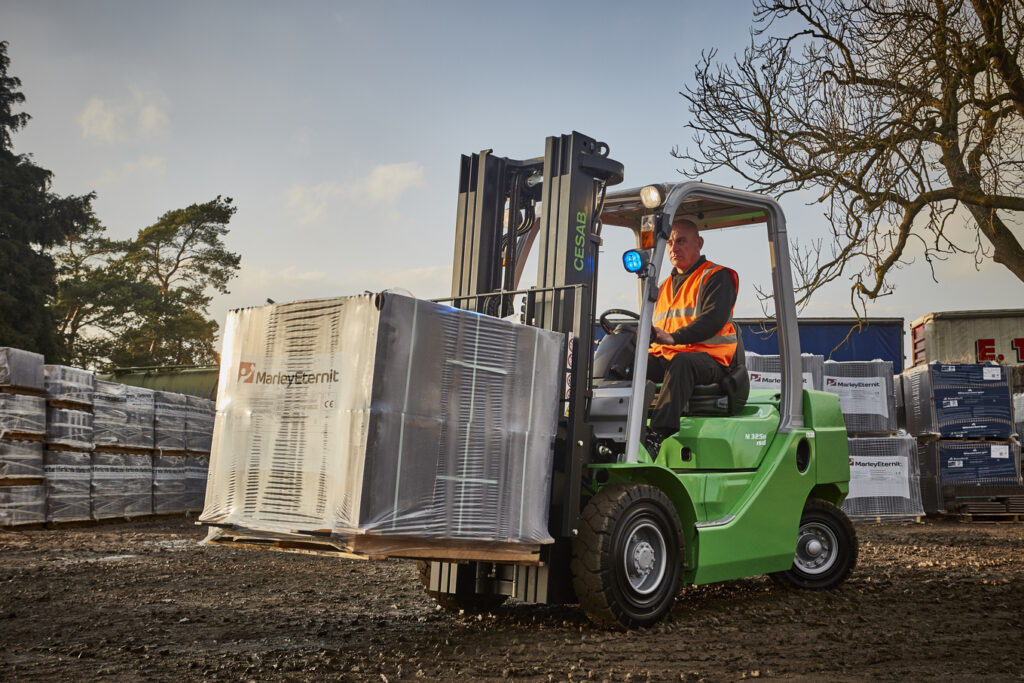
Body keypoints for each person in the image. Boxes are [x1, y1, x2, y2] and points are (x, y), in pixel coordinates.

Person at [645, 219, 738, 456]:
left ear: (699, 243)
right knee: (628, 363)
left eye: (681, 241)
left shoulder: (717, 276)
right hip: (670, 355)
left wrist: (675, 338)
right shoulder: (663, 286)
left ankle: (656, 436)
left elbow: (712, 320)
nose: (674, 247)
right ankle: (612, 425)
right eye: (670, 242)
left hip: (709, 360)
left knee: (682, 363)